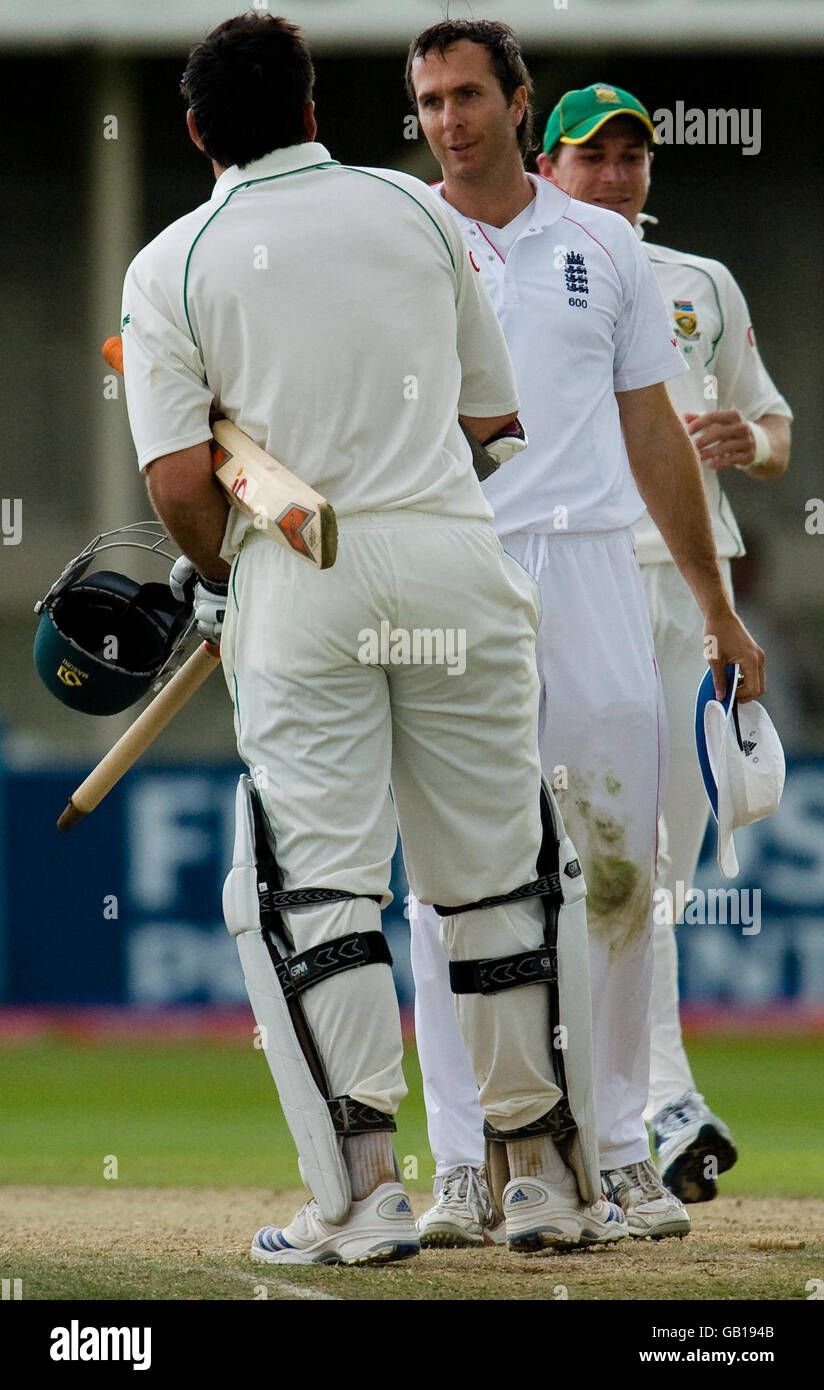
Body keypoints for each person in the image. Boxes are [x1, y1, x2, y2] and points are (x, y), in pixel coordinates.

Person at [119, 12, 626, 1265]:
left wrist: (225, 578)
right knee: (494, 879)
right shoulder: (414, 214)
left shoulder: (169, 264)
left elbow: (183, 483)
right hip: (456, 558)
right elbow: (491, 409)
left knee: (312, 893)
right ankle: (549, 1182)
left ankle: (361, 1195)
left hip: (301, 579)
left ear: (194, 132)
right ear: (311, 110)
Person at [404, 19, 764, 1247]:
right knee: (451, 885)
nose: (447, 120)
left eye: (467, 96)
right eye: (429, 100)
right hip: (450, 571)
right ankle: (463, 1162)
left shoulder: (604, 243)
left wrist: (714, 605)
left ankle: (618, 1151)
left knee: (614, 875)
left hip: (596, 570)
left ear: (516, 103)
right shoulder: (404, 235)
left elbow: (653, 432)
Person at [537, 83, 792, 1201]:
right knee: (606, 860)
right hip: (569, 583)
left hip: (689, 590)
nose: (613, 173)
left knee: (662, 869)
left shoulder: (698, 284)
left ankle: (603, 1104)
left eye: (630, 156)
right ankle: (661, 1106)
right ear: (545, 165)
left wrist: (753, 441)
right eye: (590, 156)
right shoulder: (513, 272)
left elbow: (772, 427)